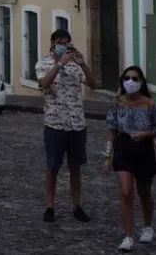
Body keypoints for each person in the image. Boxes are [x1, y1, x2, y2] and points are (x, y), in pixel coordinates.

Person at [35, 29, 99, 223]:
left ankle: (77, 206)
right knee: (53, 167)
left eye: (68, 42)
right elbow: (45, 84)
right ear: (54, 42)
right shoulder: (43, 63)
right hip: (55, 123)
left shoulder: (75, 65)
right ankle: (49, 206)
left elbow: (93, 84)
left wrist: (83, 64)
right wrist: (59, 64)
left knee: (75, 168)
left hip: (77, 123)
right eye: (62, 42)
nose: (65, 45)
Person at [104, 66, 156, 253]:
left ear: (141, 82)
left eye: (135, 78)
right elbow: (111, 130)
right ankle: (128, 236)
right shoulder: (117, 103)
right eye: (127, 78)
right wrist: (107, 155)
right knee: (125, 192)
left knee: (144, 192)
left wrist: (146, 134)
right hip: (123, 148)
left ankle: (147, 226)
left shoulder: (150, 104)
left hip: (144, 149)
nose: (130, 82)